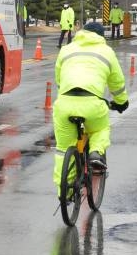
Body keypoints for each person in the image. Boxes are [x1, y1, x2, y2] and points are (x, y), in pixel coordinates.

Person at [52, 21, 128, 182]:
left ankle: (64, 193)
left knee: (63, 150)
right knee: (100, 129)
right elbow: (117, 83)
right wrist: (121, 102)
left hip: (65, 102)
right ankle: (95, 153)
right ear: (101, 36)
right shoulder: (107, 51)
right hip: (92, 104)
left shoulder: (66, 49)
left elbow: (59, 79)